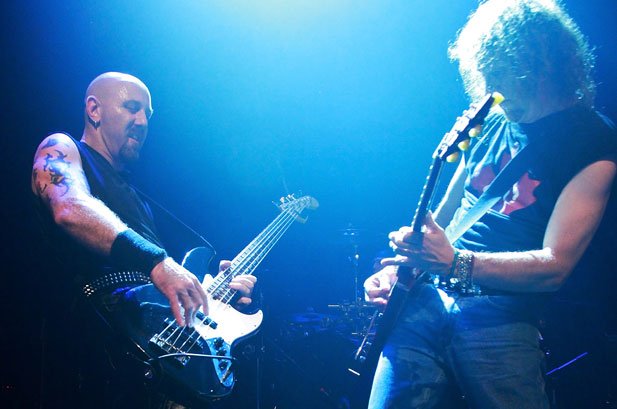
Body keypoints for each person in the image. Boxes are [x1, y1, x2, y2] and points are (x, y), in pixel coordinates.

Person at [363, 1, 617, 408]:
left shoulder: (593, 141)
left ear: (540, 65)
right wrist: (403, 268)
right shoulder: (490, 121)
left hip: (500, 316)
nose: (490, 88)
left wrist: (456, 263)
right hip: (425, 300)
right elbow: (446, 218)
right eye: (485, 75)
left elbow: (555, 266)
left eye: (499, 73)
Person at [31, 72, 256, 409]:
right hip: (93, 351)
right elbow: (69, 207)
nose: (142, 122)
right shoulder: (62, 148)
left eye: (147, 115)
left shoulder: (138, 199)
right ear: (94, 110)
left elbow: (160, 287)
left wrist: (215, 300)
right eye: (132, 108)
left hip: (151, 359)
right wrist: (157, 262)